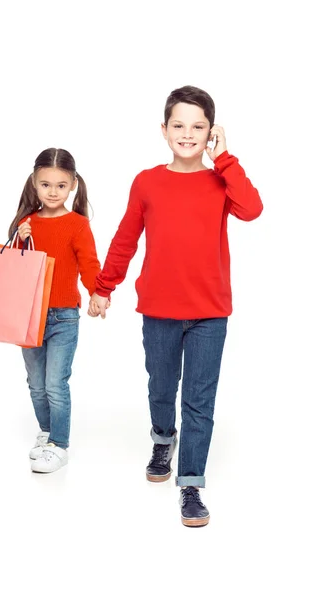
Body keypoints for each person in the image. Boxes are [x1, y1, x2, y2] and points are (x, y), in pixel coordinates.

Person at [88, 85, 263, 526]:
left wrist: (225, 159)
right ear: (164, 131)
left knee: (200, 401)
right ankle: (163, 439)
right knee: (162, 388)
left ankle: (191, 484)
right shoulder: (147, 181)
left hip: (209, 312)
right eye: (179, 125)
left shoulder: (221, 179)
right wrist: (104, 286)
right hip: (160, 310)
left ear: (212, 133)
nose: (189, 134)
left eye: (199, 127)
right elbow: (127, 237)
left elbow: (252, 209)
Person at [9, 148, 102, 473]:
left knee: (55, 384)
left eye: (60, 185)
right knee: (36, 383)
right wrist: (21, 240)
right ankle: (47, 432)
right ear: (34, 183)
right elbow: (16, 268)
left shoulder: (77, 224)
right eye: (45, 184)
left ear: (72, 184)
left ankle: (59, 445)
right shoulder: (27, 223)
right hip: (29, 314)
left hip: (64, 315)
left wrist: (97, 293)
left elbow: (89, 262)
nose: (52, 191)